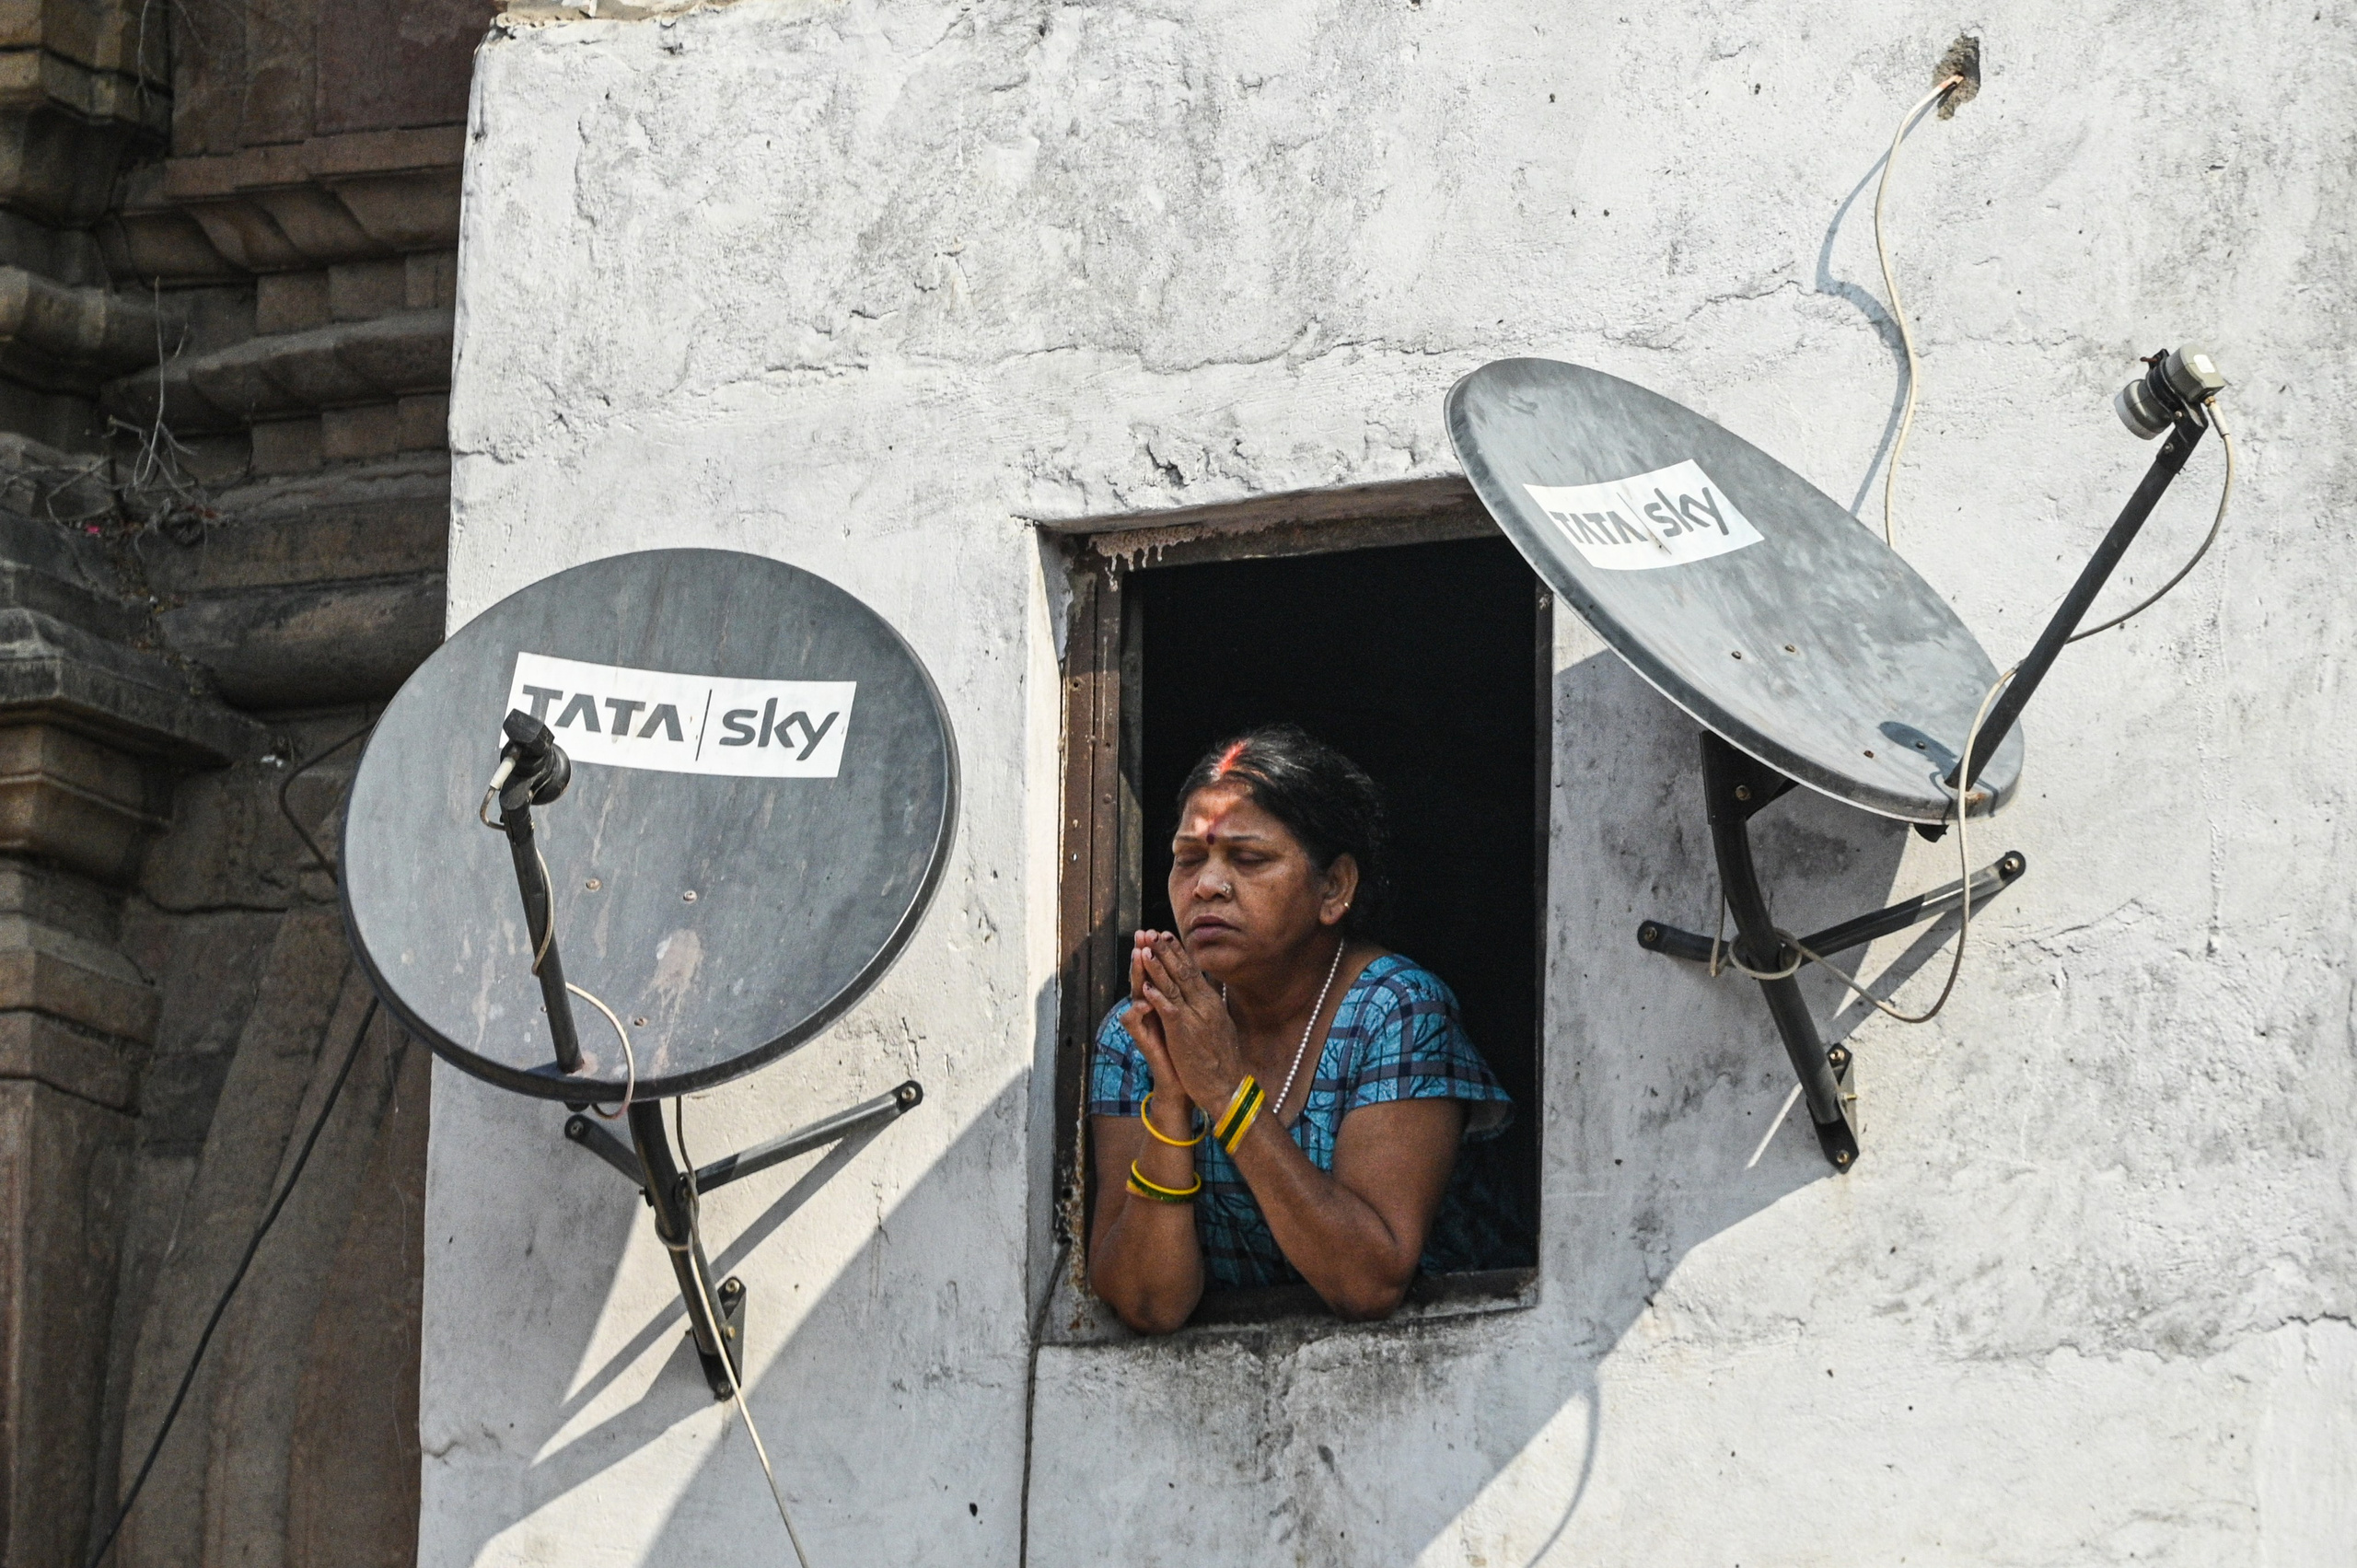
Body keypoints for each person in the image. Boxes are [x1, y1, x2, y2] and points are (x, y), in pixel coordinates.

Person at [1087, 725, 1515, 1334]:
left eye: (1249, 858)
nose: (1205, 884)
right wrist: (1173, 1100)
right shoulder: (1143, 1030)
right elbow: (1150, 1303)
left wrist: (1227, 1093)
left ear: (1334, 886)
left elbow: (1369, 1283)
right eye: (1188, 859)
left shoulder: (1396, 1010)